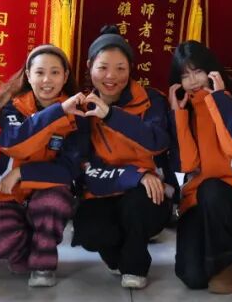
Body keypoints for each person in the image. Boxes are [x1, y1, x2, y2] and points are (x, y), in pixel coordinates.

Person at [69, 26, 172, 290]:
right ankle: (117, 254)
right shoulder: (80, 107)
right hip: (103, 188)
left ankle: (136, 266)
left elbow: (158, 142)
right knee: (89, 232)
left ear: (130, 69)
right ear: (89, 66)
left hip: (147, 194)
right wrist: (134, 175)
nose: (111, 76)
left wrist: (112, 116)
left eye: (120, 68)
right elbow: (81, 165)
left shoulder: (151, 99)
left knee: (137, 206)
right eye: (103, 68)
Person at [0, 45, 83, 288]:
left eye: (55, 72)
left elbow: (67, 170)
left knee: (53, 202)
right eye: (40, 72)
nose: (47, 80)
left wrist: (22, 173)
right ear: (28, 75)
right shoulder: (12, 108)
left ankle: (43, 264)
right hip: (9, 192)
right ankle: (25, 253)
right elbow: (14, 144)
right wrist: (57, 112)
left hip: (50, 190)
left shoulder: (79, 114)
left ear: (65, 76)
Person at [168, 41, 232, 294]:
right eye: (185, 75)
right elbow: (187, 165)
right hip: (196, 201)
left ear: (212, 70)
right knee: (192, 277)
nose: (193, 81)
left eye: (197, 71)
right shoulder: (183, 111)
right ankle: (213, 256)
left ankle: (226, 263)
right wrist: (178, 116)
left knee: (211, 189)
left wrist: (219, 101)